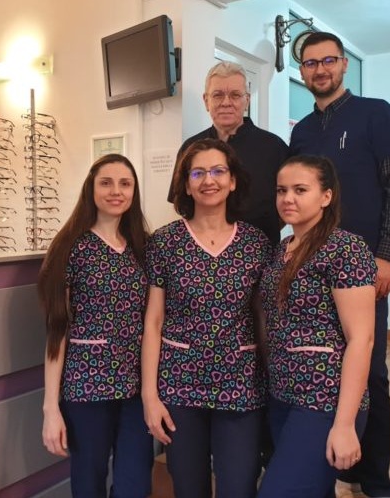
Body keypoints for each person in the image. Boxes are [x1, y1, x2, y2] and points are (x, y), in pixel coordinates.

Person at [288, 32, 390, 497]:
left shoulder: (376, 113)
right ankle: (339, 462)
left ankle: (374, 479)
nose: (320, 69)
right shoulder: (302, 132)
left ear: (344, 64)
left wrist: (388, 254)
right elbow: (296, 197)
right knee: (322, 367)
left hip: (364, 271)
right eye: (310, 63)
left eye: (328, 60)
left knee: (371, 373)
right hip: (310, 271)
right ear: (302, 72)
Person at [143, 138, 269, 498]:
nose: (208, 180)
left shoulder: (256, 244)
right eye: (197, 173)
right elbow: (153, 322)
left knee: (239, 485)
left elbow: (263, 319)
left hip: (241, 384)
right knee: (188, 487)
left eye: (218, 171)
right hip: (179, 385)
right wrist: (150, 396)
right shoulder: (165, 242)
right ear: (186, 185)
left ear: (233, 180)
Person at [257, 155, 376, 497]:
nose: (287, 198)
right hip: (282, 393)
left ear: (326, 196)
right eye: (281, 190)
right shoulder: (281, 249)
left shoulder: (346, 249)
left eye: (300, 190)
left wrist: (344, 424)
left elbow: (362, 339)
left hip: (324, 399)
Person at [38, 154, 153, 498]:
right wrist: (50, 407)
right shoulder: (70, 248)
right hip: (87, 387)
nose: (116, 191)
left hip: (137, 389)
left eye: (125, 183)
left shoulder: (143, 247)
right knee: (88, 481)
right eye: (106, 183)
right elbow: (57, 331)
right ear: (91, 188)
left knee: (135, 483)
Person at [168, 61, 289, 244]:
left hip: (261, 252)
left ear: (247, 100)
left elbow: (289, 204)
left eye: (235, 95)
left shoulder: (274, 148)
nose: (226, 103)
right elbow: (182, 202)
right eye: (217, 95)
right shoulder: (190, 148)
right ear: (206, 101)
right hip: (202, 251)